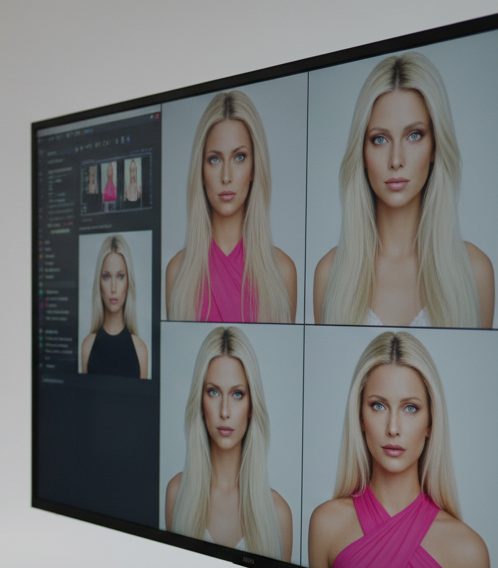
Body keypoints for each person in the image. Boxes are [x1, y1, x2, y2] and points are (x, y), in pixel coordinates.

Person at [308, 331, 489, 568]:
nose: (393, 428)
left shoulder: (470, 552)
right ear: (360, 417)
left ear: (431, 422)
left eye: (410, 408)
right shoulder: (326, 525)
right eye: (378, 406)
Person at [314, 52, 494, 328]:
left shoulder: (476, 271)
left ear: (435, 147)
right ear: (361, 153)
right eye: (380, 139)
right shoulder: (329, 274)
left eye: (414, 135)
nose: (396, 160)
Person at [166, 91, 297, 323]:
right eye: (215, 159)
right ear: (201, 171)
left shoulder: (282, 272)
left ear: (255, 167)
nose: (226, 176)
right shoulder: (177, 272)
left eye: (239, 157)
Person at [165, 326, 292, 561]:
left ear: (252, 405)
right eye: (213, 392)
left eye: (237, 394)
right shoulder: (176, 493)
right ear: (200, 400)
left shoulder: (279, 514)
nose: (224, 411)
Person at [81, 234, 148, 378]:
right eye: (106, 276)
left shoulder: (141, 350)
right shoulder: (87, 346)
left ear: (128, 282)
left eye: (120, 276)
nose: (113, 288)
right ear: (99, 282)